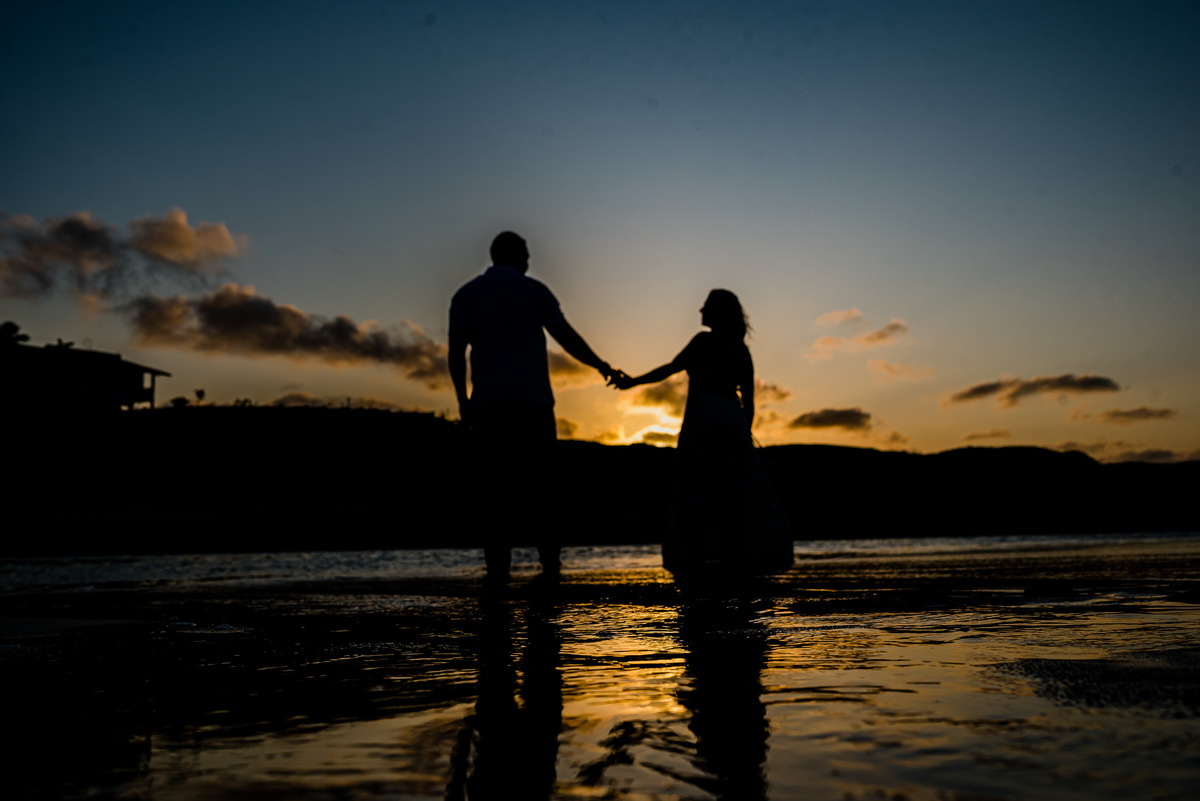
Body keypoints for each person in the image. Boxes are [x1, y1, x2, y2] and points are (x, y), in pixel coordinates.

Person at [449, 231, 619, 583]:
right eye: (526, 253)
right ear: (516, 256)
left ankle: (498, 569)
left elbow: (455, 354)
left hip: (489, 403)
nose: (529, 260)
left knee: (494, 490)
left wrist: (463, 402)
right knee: (544, 487)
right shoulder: (535, 291)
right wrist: (601, 366)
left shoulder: (465, 294)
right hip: (533, 402)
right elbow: (567, 337)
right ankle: (550, 564)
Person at [611, 289, 793, 574]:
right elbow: (749, 401)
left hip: (703, 414)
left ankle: (695, 559)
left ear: (717, 312)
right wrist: (743, 432)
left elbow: (670, 368)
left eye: (706, 306)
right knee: (734, 487)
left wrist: (632, 382)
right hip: (732, 416)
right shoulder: (741, 349)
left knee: (694, 484)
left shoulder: (703, 341)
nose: (700, 310)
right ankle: (733, 557)